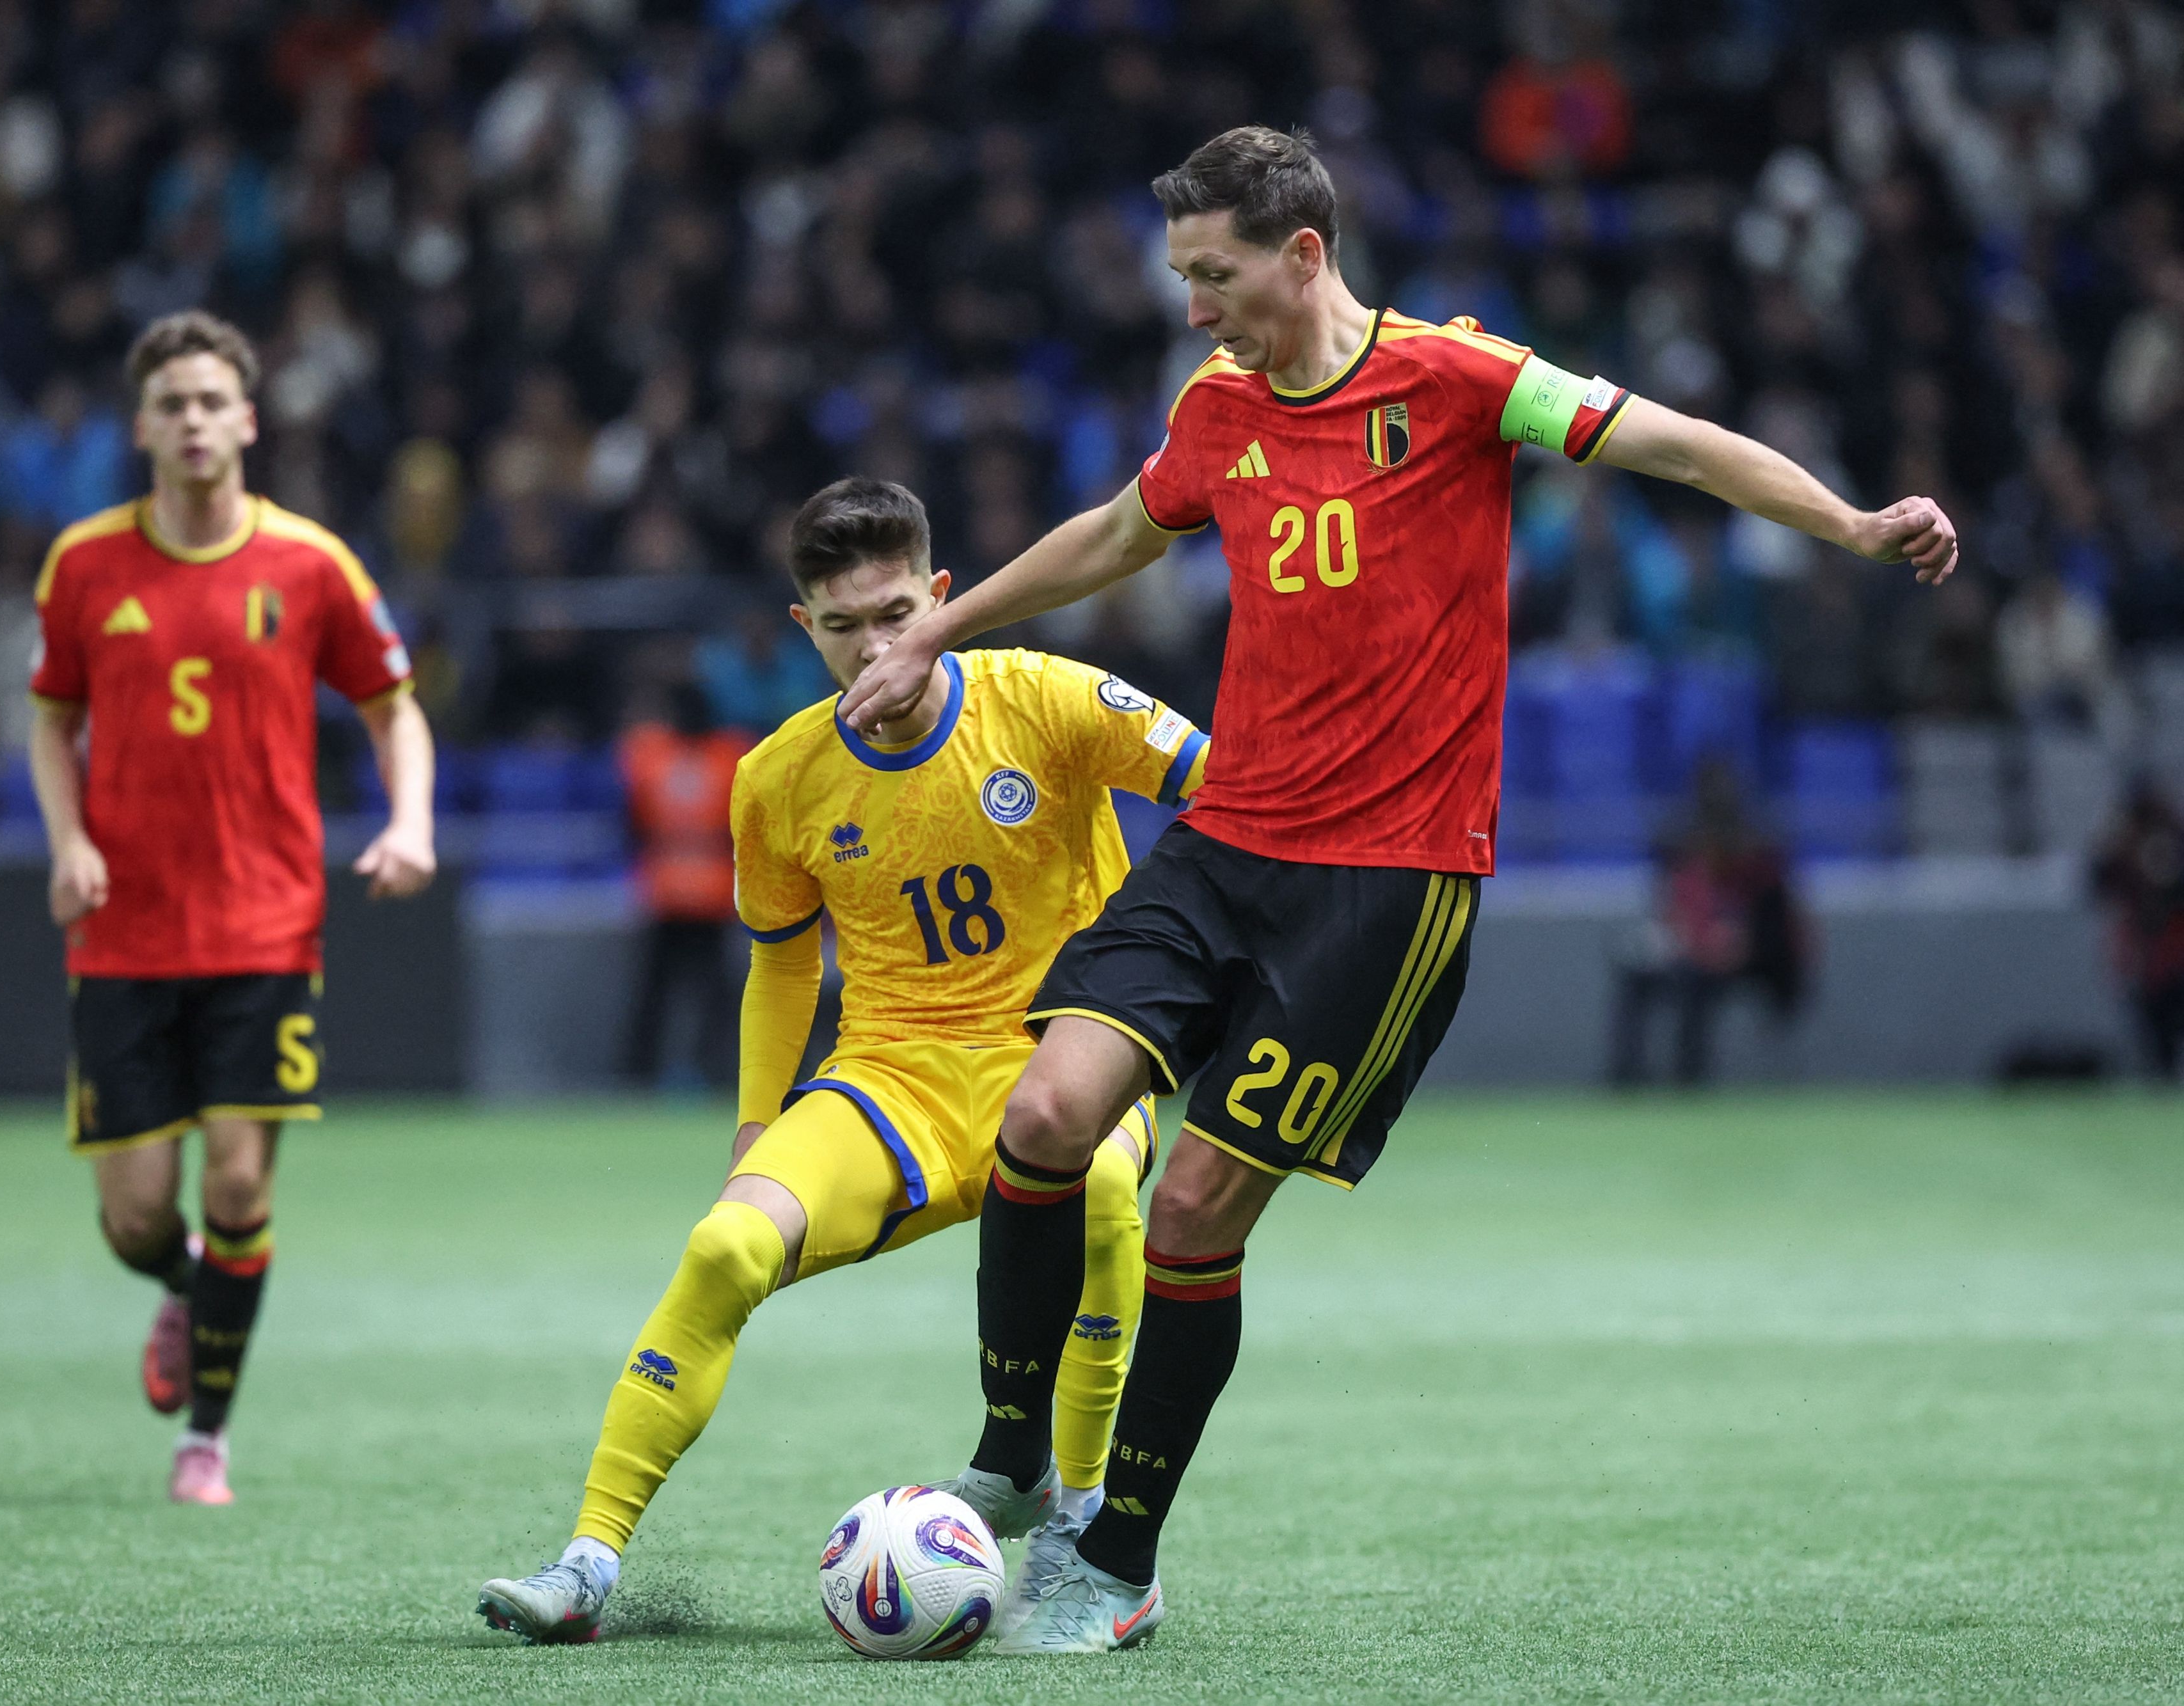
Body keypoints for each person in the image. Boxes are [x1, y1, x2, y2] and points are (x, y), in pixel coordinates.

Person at [840, 125, 1959, 1654]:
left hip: (1386, 878)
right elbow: (1114, 534)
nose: (1192, 310)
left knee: (1191, 1205)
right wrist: (936, 631)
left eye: (1213, 275)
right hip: (1227, 838)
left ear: (1301, 255)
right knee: (1040, 1118)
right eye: (1180, 278)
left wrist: (1845, 521)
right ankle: (1012, 1452)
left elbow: (1679, 445)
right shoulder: (1218, 406)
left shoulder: (1458, 379)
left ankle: (1121, 1559)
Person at [476, 477, 1210, 1645]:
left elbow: (1227, 792)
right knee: (725, 1245)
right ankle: (586, 1565)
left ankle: (1075, 1521)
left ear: (944, 597)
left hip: (1064, 1059)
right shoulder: (777, 778)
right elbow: (780, 967)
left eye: (896, 611)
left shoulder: (1049, 697)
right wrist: (756, 1129)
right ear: (800, 629)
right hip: (893, 1083)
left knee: (1111, 1190)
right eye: (844, 624)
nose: (878, 645)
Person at [27, 312, 436, 1505]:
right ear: (142, 424)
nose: (194, 421)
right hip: (125, 932)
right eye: (173, 404)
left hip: (266, 925)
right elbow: (51, 718)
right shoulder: (86, 566)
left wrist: (410, 820)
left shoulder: (311, 564)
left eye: (213, 401)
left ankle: (204, 1437)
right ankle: (182, 1280)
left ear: (248, 419)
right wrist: (67, 845)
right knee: (133, 1213)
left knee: (243, 1186)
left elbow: (393, 703)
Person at [1609, 757, 1808, 1086]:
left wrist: (1735, 949)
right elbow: (1676, 913)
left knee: (1694, 983)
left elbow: (1774, 934)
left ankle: (1689, 1079)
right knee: (1639, 976)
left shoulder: (1761, 858)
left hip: (1761, 961)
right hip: (1699, 952)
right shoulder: (1686, 850)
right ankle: (1626, 1078)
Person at [616, 680, 747, 1088]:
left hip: (670, 886)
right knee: (707, 991)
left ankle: (641, 1072)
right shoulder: (731, 754)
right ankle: (710, 1071)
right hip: (707, 887)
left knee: (660, 989)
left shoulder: (648, 752)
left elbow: (631, 821)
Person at [2090, 782, 2184, 1078]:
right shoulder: (2122, 849)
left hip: (2173, 949)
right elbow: (2097, 883)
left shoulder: (2173, 839)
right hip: (2145, 957)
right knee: (2153, 1035)